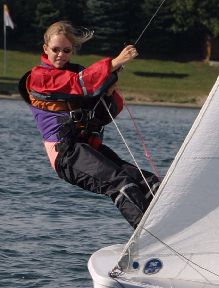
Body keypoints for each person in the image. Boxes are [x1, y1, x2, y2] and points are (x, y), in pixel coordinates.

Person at [21, 21, 159, 228]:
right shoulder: (39, 77)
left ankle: (178, 226)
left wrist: (110, 92)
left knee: (151, 183)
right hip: (66, 155)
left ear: (72, 51)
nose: (60, 55)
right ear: (45, 49)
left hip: (90, 149)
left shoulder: (77, 74)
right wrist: (115, 62)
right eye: (55, 49)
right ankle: (150, 236)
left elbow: (104, 114)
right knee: (121, 184)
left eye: (66, 50)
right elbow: (78, 83)